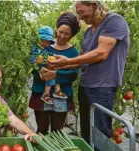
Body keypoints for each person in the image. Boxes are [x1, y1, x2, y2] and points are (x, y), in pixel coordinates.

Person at [48, 1, 130, 145]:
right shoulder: (88, 32)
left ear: (93, 5)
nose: (79, 18)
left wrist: (67, 61)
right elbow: (82, 59)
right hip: (85, 86)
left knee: (99, 133)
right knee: (86, 131)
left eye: (81, 12)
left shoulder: (114, 21)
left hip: (102, 87)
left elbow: (101, 53)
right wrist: (60, 65)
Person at [28, 11, 81, 135]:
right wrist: (40, 71)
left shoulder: (73, 52)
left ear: (72, 35)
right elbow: (33, 65)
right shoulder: (44, 46)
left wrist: (56, 75)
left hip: (62, 96)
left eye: (67, 34)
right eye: (60, 32)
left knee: (57, 131)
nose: (62, 36)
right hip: (41, 91)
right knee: (42, 129)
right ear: (56, 30)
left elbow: (73, 74)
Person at [30, 26, 68, 105]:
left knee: (54, 72)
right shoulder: (34, 48)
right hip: (39, 69)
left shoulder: (43, 49)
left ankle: (56, 91)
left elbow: (47, 55)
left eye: (47, 42)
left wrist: (52, 56)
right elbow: (32, 60)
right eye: (43, 41)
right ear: (38, 39)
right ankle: (47, 94)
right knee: (50, 74)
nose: (45, 43)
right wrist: (37, 60)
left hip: (44, 67)